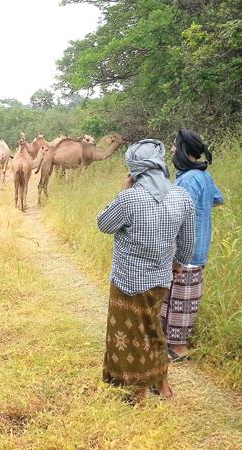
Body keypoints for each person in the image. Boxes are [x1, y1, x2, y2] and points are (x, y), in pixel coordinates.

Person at [97, 139, 195, 402]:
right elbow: (188, 242)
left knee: (129, 334)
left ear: (134, 168)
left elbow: (104, 224)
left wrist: (122, 191)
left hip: (127, 281)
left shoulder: (129, 198)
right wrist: (177, 265)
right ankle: (162, 386)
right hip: (161, 278)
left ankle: (135, 390)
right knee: (153, 328)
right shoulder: (181, 196)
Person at [163, 130, 224, 362]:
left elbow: (178, 215)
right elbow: (217, 199)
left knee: (181, 300)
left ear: (183, 149)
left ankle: (179, 349)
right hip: (199, 247)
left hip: (185, 251)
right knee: (183, 298)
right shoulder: (203, 176)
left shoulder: (188, 179)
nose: (171, 149)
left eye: (174, 144)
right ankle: (172, 345)